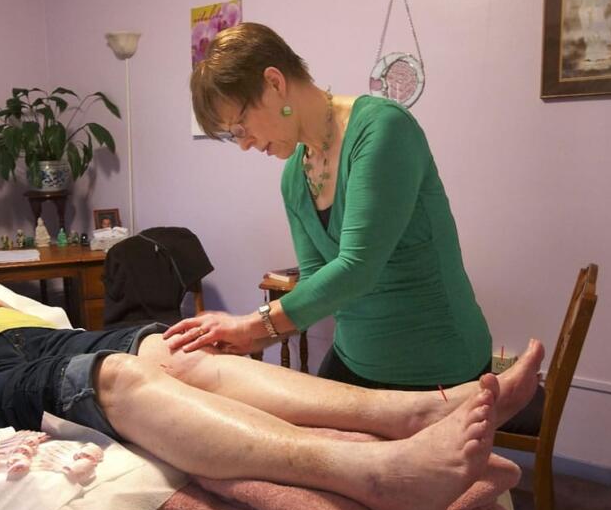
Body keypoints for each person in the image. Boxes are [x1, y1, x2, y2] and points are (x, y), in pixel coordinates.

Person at [0, 226, 543, 510]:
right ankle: (375, 474)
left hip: (19, 340)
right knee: (107, 375)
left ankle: (419, 410)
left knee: (181, 342)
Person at [170, 22, 493, 397]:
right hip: (356, 357)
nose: (244, 145)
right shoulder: (294, 176)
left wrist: (251, 326)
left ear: (274, 83)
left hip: (435, 363)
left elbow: (356, 269)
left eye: (240, 126)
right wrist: (254, 340)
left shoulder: (383, 130)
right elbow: (314, 281)